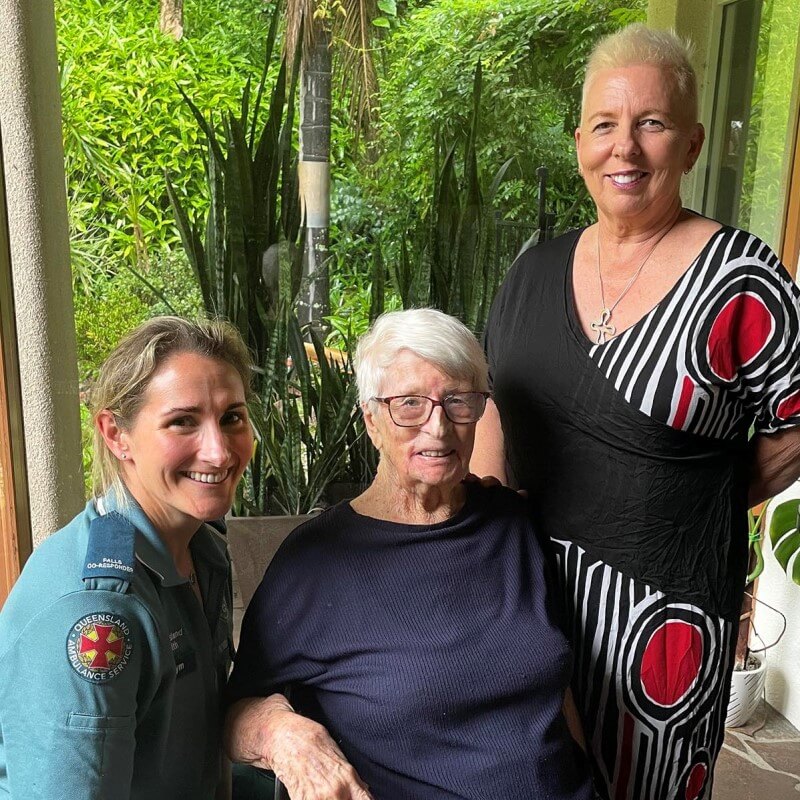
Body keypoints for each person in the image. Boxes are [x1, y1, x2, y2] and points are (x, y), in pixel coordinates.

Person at [471, 23, 800, 800]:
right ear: (579, 137)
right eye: (606, 125)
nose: (626, 149)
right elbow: (493, 404)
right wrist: (482, 544)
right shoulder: (533, 269)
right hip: (525, 601)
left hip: (662, 619)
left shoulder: (742, 278)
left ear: (691, 143)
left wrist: (700, 498)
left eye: (651, 124)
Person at [225, 308, 595, 800]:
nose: (438, 428)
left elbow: (555, 693)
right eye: (409, 404)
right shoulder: (316, 561)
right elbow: (232, 714)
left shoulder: (512, 524)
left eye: (459, 402)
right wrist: (282, 735)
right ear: (371, 419)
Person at [0, 316, 255, 799]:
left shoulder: (204, 549)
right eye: (183, 421)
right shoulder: (96, 608)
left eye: (231, 418)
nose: (219, 453)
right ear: (116, 434)